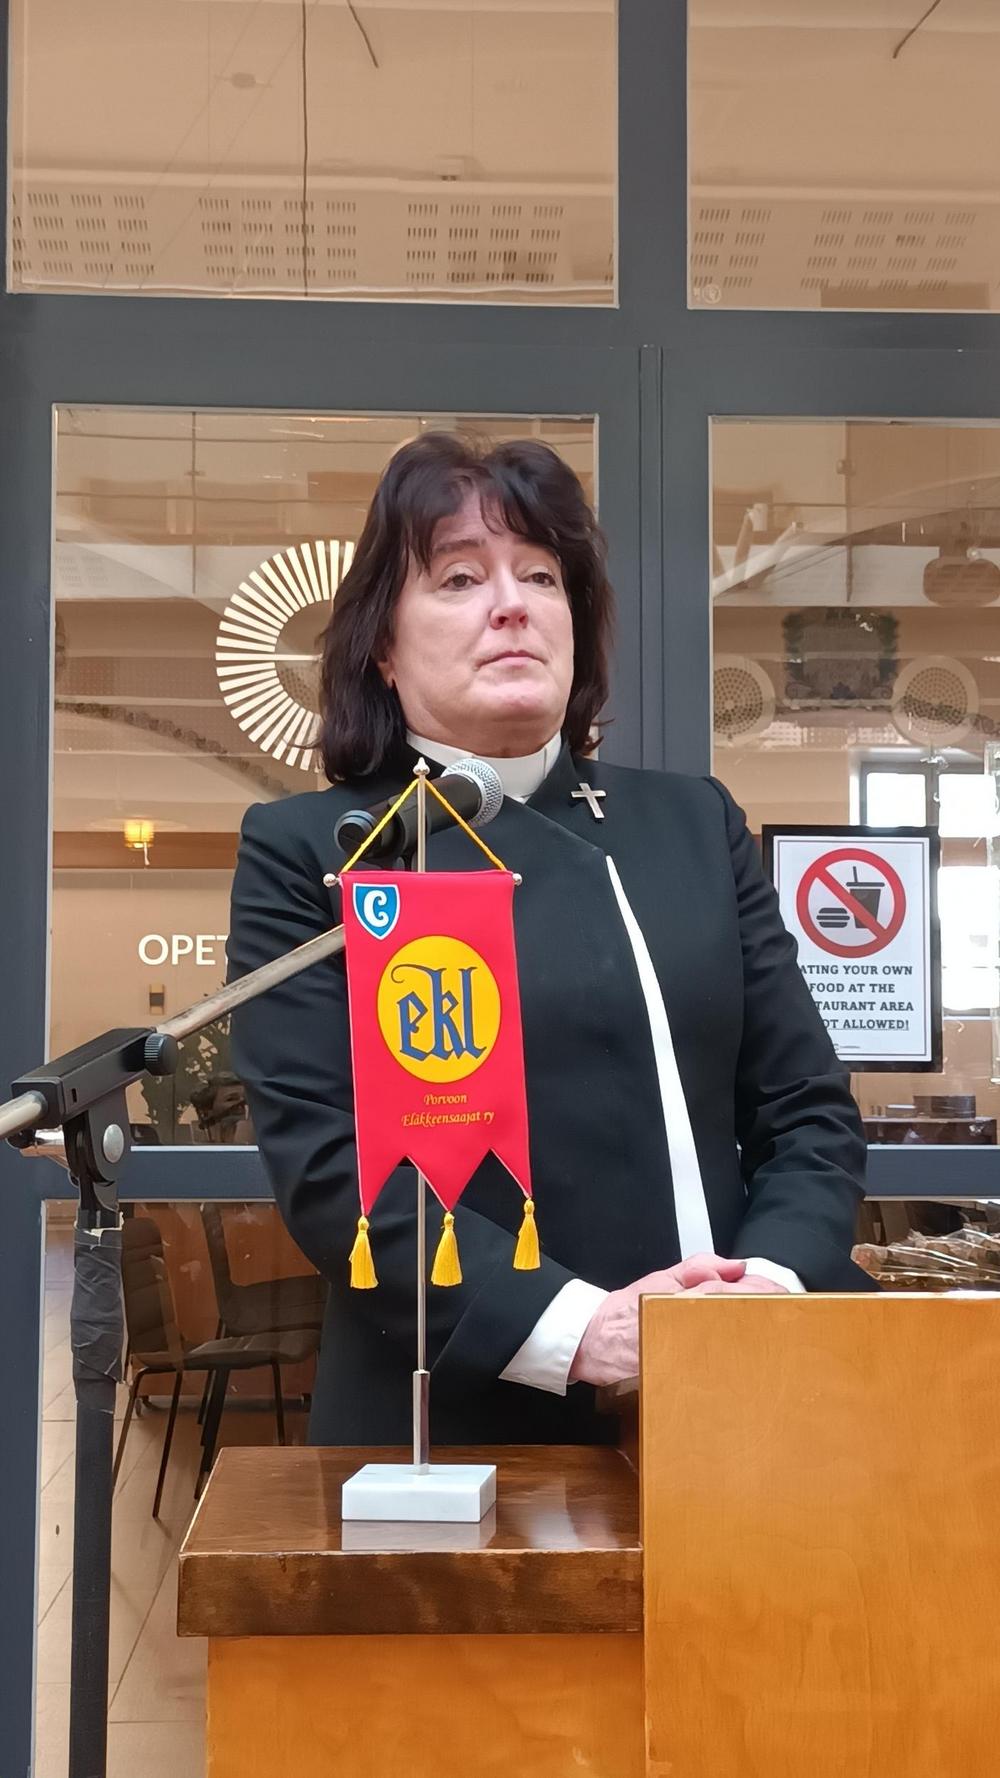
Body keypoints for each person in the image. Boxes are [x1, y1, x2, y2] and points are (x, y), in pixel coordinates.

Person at [227, 432, 875, 1447]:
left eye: (540, 574)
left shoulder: (688, 824)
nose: (512, 604)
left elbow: (806, 1111)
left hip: (744, 1394)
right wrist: (582, 1329)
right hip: (460, 1417)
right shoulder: (324, 848)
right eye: (458, 577)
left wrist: (769, 1282)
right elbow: (330, 1163)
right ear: (383, 647)